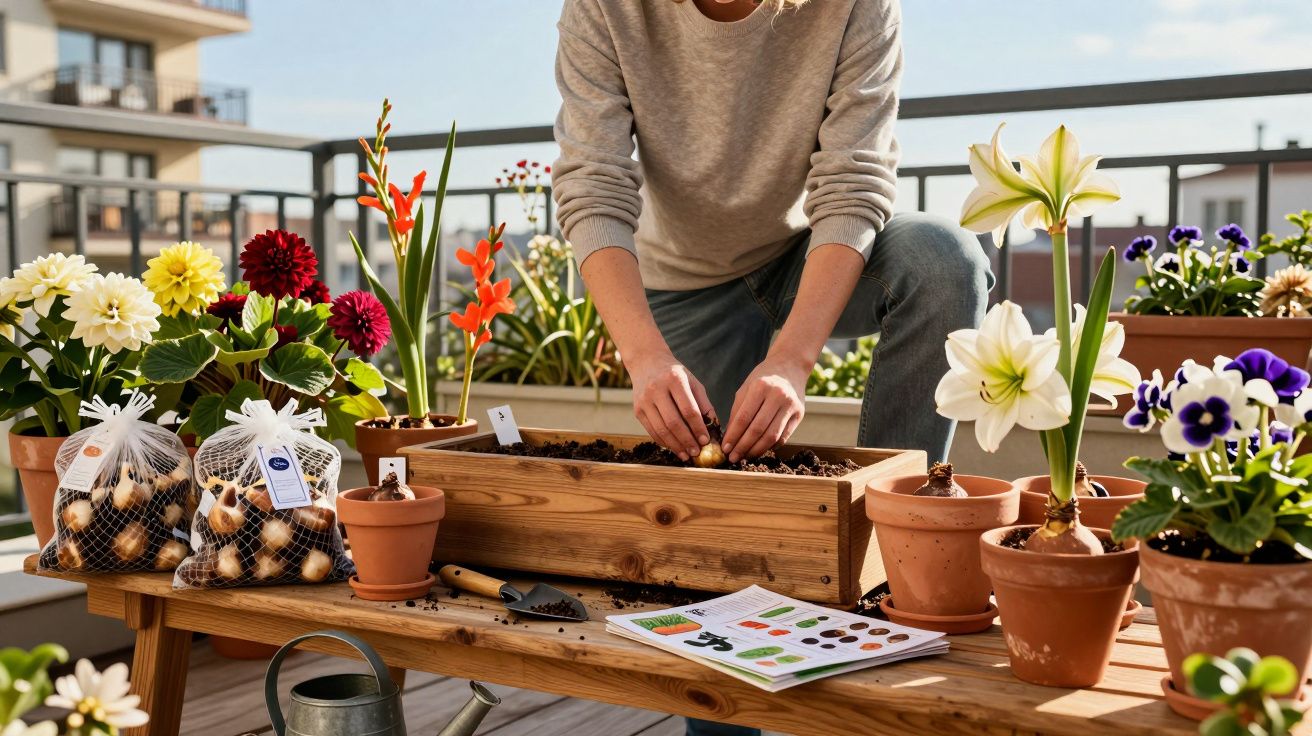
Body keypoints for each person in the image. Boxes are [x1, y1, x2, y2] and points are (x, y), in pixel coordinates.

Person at [551, 1, 989, 733]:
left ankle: (889, 561)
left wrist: (792, 358)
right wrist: (645, 356)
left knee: (944, 264)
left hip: (806, 258)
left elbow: (854, 180)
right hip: (680, 287)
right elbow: (593, 182)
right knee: (715, 598)